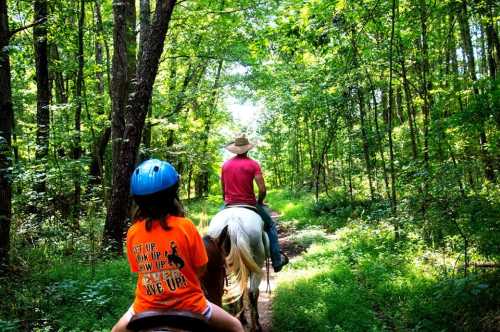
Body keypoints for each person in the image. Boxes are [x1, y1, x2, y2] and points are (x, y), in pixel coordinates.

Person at [112, 159, 243, 332]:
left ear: (138, 201)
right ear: (172, 195)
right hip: (192, 305)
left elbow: (139, 271)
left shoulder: (133, 232)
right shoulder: (186, 226)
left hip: (144, 307)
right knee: (236, 326)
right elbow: (201, 268)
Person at [221, 135, 289, 272]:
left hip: (229, 204)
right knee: (270, 225)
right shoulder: (253, 164)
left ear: (234, 149)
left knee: (215, 231)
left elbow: (223, 189)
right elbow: (262, 189)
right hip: (249, 203)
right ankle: (276, 261)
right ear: (247, 149)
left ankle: (217, 262)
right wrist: (259, 201)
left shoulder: (225, 165)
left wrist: (228, 200)